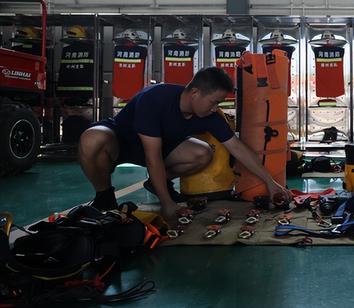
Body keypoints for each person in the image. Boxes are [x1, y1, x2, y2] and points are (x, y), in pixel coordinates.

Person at [79, 67, 290, 223]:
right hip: (124, 141)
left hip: (162, 147)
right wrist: (167, 204)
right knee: (92, 139)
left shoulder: (209, 114)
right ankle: (104, 195)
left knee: (202, 153)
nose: (215, 107)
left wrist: (270, 182)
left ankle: (158, 183)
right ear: (195, 93)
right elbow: (152, 156)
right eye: (214, 101)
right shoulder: (155, 99)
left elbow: (237, 147)